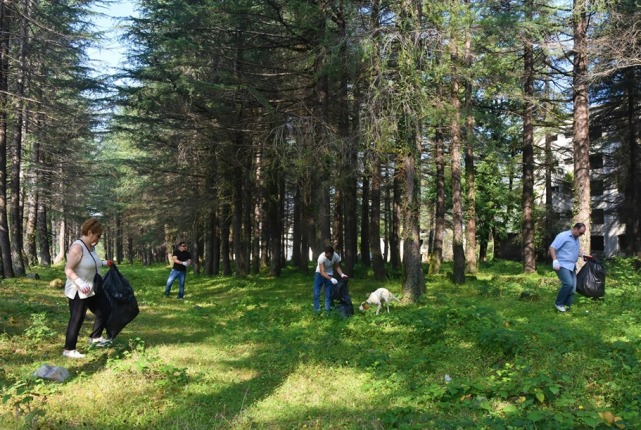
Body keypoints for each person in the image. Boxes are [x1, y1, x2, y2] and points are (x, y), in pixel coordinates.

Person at [63, 218, 113, 358]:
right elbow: (68, 269)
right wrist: (79, 281)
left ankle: (95, 338)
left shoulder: (91, 246)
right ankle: (69, 349)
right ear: (90, 232)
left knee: (105, 309)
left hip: (92, 288)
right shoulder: (77, 247)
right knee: (77, 318)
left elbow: (91, 263)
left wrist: (104, 263)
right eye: (98, 235)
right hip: (78, 290)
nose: (98, 238)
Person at [549, 222, 587, 312]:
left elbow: (575, 252)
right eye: (580, 233)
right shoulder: (563, 236)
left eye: (582, 234)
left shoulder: (576, 239)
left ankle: (567, 307)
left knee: (573, 288)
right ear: (575, 229)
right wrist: (555, 260)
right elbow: (552, 248)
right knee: (568, 284)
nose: (581, 235)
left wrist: (584, 255)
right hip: (561, 264)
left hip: (572, 266)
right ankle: (559, 303)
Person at [313, 246, 347, 312]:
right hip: (319, 274)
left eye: (328, 256)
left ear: (332, 254)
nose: (327, 257)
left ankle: (327, 312)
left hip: (329, 273)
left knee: (328, 294)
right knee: (316, 293)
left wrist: (342, 274)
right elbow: (322, 272)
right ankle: (316, 311)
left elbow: (337, 267)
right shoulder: (321, 257)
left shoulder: (336, 256)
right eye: (326, 255)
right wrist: (331, 279)